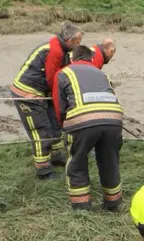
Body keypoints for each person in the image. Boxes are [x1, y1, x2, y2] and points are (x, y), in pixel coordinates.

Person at [53, 45, 124, 211]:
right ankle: (113, 204)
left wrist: (64, 125)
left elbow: (59, 107)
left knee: (77, 162)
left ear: (72, 59)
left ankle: (82, 207)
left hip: (82, 121)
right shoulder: (102, 74)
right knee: (110, 161)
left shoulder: (64, 73)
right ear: (91, 59)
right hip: (114, 120)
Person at [11, 23, 83, 179]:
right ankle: (43, 171)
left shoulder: (61, 47)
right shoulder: (55, 51)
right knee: (41, 130)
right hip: (28, 94)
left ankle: (55, 156)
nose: (79, 45)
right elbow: (53, 79)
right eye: (78, 41)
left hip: (42, 92)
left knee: (54, 123)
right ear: (70, 40)